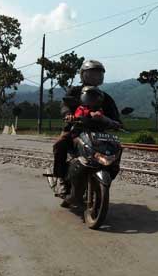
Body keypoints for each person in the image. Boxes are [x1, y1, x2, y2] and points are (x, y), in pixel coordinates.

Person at [52, 60, 122, 194]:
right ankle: (60, 179)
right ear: (83, 75)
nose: (95, 77)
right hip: (75, 130)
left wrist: (117, 122)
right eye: (92, 74)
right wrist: (68, 114)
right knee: (59, 144)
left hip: (98, 134)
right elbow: (65, 105)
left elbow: (114, 114)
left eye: (98, 74)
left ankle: (109, 171)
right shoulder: (75, 91)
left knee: (117, 147)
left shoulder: (105, 97)